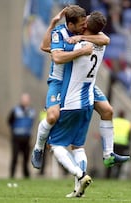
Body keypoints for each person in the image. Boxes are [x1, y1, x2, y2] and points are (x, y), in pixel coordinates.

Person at [31, 6, 129, 170]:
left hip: (81, 81)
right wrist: (53, 25)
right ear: (71, 24)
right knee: (53, 116)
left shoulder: (83, 34)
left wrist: (81, 38)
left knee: (107, 110)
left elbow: (106, 40)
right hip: (59, 81)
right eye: (81, 24)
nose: (84, 26)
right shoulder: (60, 33)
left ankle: (108, 154)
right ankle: (38, 147)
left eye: (86, 22)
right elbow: (51, 52)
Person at [47, 11, 110, 197]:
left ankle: (80, 175)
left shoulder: (76, 45)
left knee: (55, 145)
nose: (83, 23)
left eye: (85, 21)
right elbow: (105, 39)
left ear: (86, 25)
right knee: (78, 147)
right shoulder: (100, 44)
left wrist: (55, 33)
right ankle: (79, 190)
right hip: (89, 102)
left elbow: (55, 55)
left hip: (72, 103)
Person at [7, 93, 36, 179]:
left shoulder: (31, 111)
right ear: (21, 100)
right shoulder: (15, 110)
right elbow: (9, 121)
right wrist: (13, 131)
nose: (25, 101)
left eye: (27, 99)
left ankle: (26, 176)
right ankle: (12, 176)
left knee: (26, 158)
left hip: (26, 138)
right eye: (24, 99)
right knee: (15, 157)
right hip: (16, 138)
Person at [106, 110, 131, 179]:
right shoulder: (128, 123)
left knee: (110, 159)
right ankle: (117, 175)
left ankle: (108, 175)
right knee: (120, 160)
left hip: (113, 143)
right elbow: (130, 135)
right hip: (123, 144)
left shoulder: (113, 121)